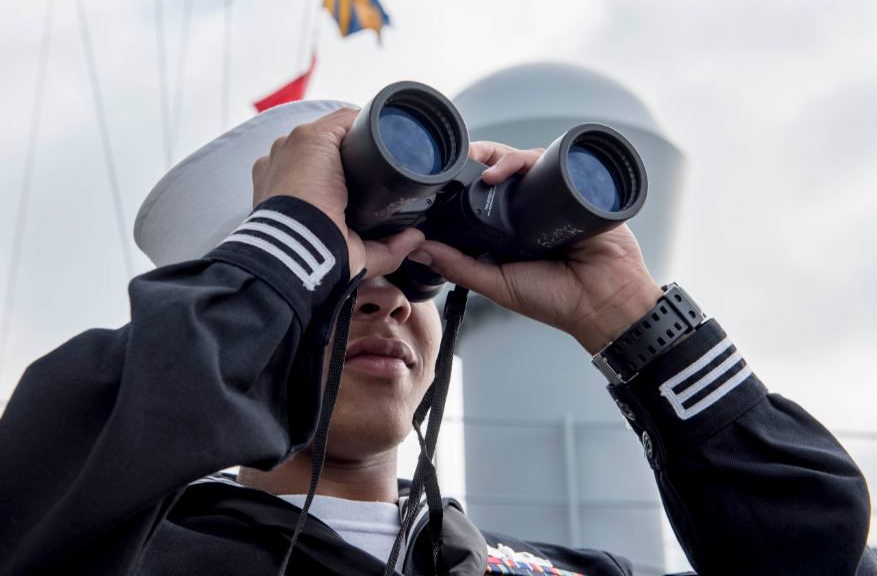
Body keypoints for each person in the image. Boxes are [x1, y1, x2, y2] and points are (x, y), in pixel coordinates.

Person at [0, 106, 874, 576]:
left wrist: (635, 322)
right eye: (338, 281)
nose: (385, 305)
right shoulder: (129, 551)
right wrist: (289, 251)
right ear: (246, 304)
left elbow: (816, 559)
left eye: (416, 275)